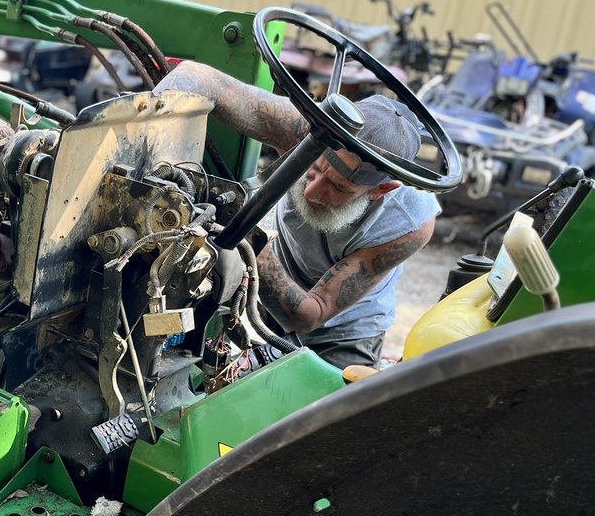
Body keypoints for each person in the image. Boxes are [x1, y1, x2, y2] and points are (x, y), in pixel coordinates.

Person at [155, 61, 439, 368]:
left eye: (339, 188)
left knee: (326, 409)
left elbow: (311, 314)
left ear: (380, 191)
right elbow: (200, 77)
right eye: (312, 170)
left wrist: (248, 234)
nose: (312, 193)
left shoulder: (409, 223)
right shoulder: (306, 131)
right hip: (277, 301)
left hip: (341, 333)